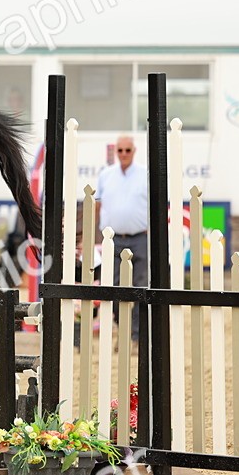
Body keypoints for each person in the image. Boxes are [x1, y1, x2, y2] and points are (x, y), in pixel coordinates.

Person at [94, 135, 149, 340]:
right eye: (120, 150)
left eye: (128, 150)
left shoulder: (146, 174)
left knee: (141, 287)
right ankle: (123, 329)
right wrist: (96, 235)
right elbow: (98, 205)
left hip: (141, 239)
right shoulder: (105, 175)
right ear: (115, 152)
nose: (124, 154)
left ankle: (136, 336)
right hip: (113, 239)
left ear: (134, 151)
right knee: (114, 287)